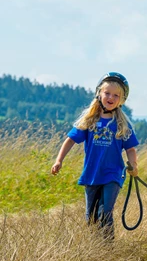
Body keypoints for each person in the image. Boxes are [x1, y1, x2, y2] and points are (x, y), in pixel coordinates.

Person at [51, 72, 139, 240]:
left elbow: (130, 149)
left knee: (105, 211)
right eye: (107, 93)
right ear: (99, 93)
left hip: (113, 174)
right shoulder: (90, 120)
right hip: (92, 173)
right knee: (91, 217)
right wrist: (59, 160)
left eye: (116, 95)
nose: (110, 97)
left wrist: (133, 165)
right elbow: (70, 140)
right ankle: (94, 246)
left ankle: (108, 247)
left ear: (121, 100)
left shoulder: (122, 124)